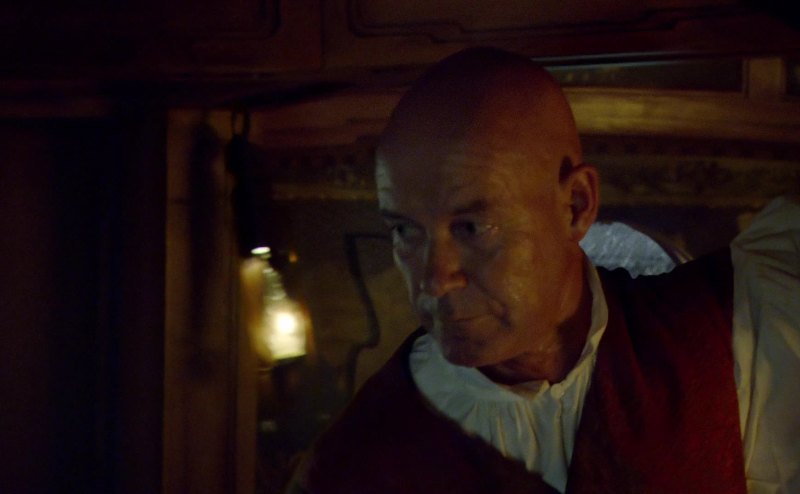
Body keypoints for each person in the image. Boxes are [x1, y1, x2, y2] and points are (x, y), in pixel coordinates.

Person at [287, 47, 800, 493]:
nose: (434, 279)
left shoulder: (728, 332)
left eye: (472, 228)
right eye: (406, 231)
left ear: (576, 206)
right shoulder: (350, 467)